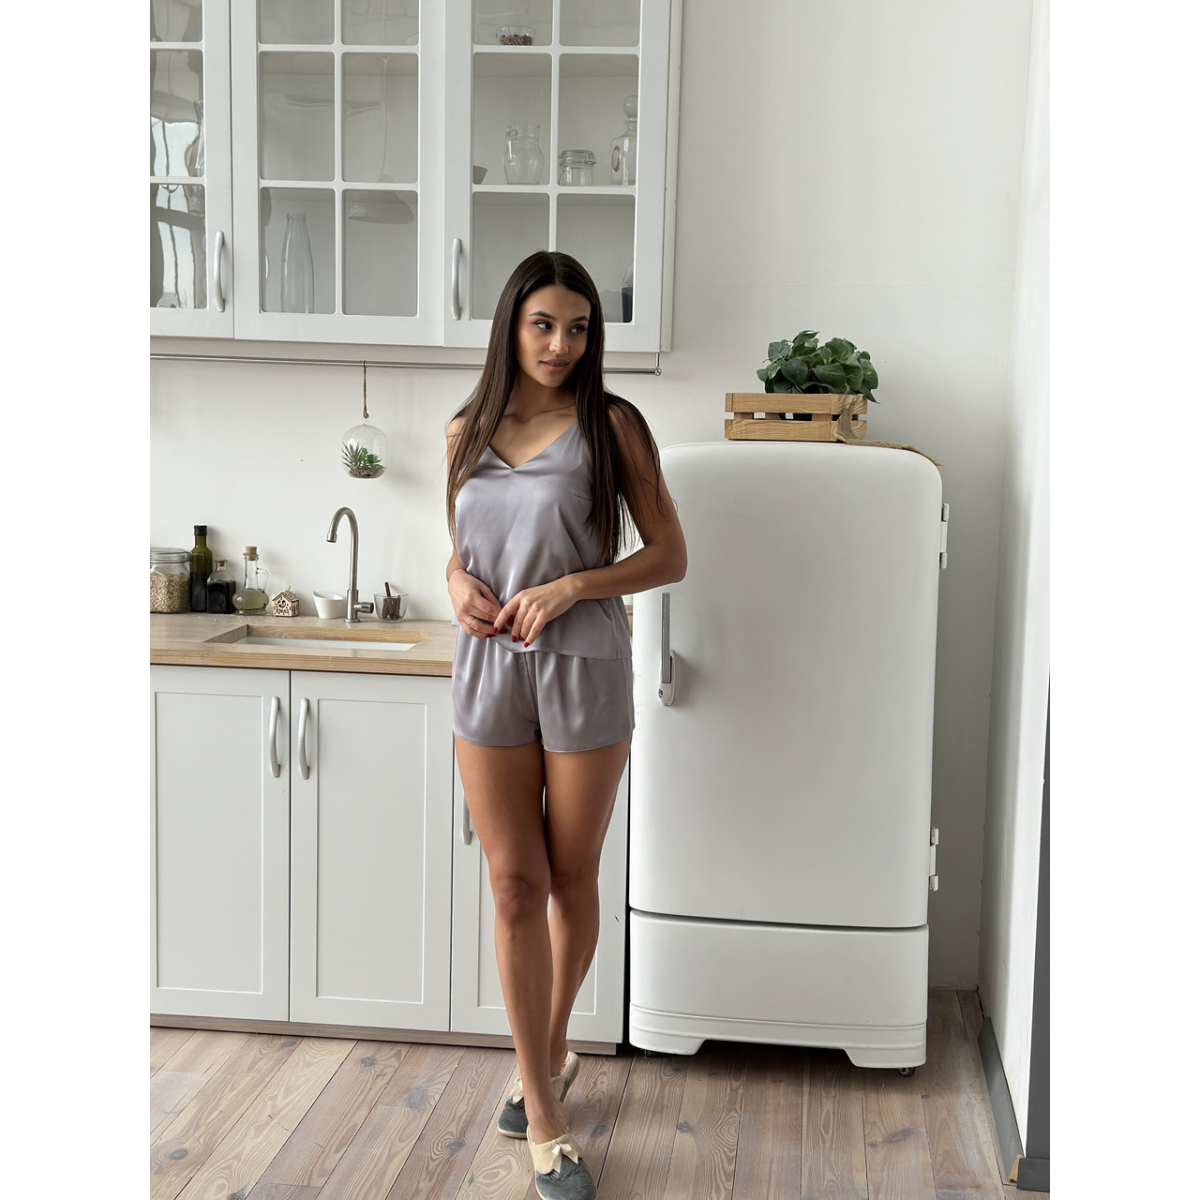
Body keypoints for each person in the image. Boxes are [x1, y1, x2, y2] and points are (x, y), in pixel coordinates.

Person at [444, 251, 686, 1200]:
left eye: (578, 328)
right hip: (488, 668)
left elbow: (668, 554)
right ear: (511, 325)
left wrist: (575, 584)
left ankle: (545, 1053)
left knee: (570, 875)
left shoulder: (611, 426)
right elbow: (461, 549)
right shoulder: (466, 430)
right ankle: (546, 1115)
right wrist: (455, 583)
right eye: (543, 324)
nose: (560, 345)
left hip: (584, 665)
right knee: (514, 883)